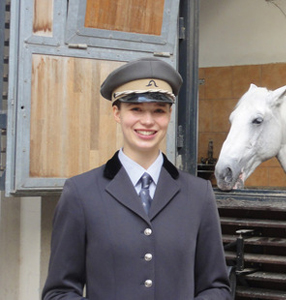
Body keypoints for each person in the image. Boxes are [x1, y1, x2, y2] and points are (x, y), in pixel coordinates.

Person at [42, 57, 232, 299]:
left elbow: (216, 288)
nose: (148, 121)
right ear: (116, 113)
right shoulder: (80, 192)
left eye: (158, 111)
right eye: (136, 109)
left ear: (169, 114)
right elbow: (59, 292)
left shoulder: (198, 194)